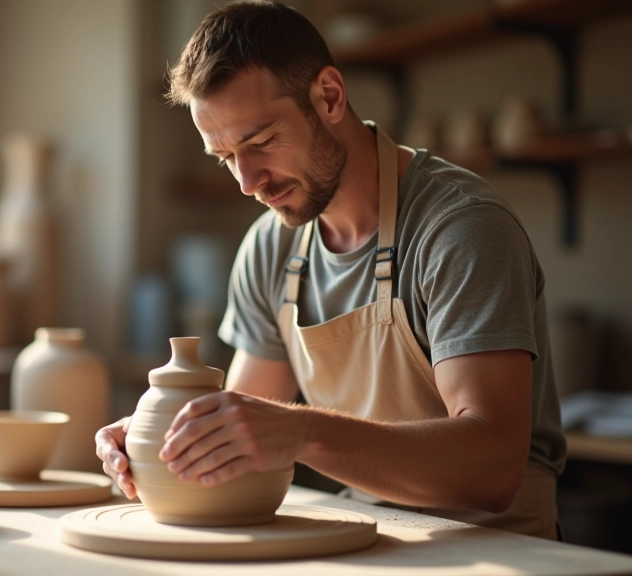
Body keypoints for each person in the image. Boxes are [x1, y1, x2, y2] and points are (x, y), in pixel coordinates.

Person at [95, 0, 566, 539]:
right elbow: (244, 431)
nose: (247, 182)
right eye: (225, 158)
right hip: (369, 535)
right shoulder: (270, 249)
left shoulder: (459, 228)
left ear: (329, 96)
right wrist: (167, 440)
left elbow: (492, 468)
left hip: (501, 547)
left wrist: (302, 432)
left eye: (260, 142)